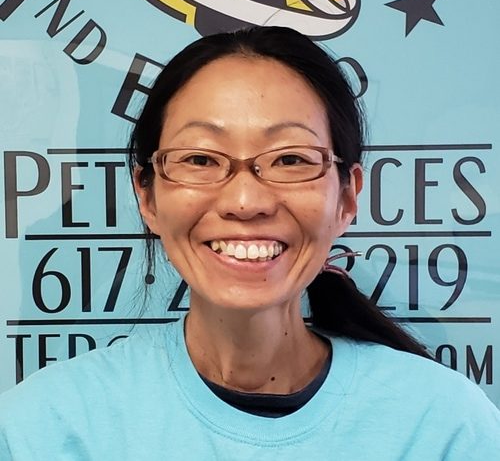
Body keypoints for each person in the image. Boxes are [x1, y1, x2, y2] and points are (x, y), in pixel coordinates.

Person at [0, 26, 499, 459]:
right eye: (200, 159)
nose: (245, 200)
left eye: (290, 159)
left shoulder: (446, 426)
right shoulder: (46, 427)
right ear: (147, 196)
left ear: (347, 197)